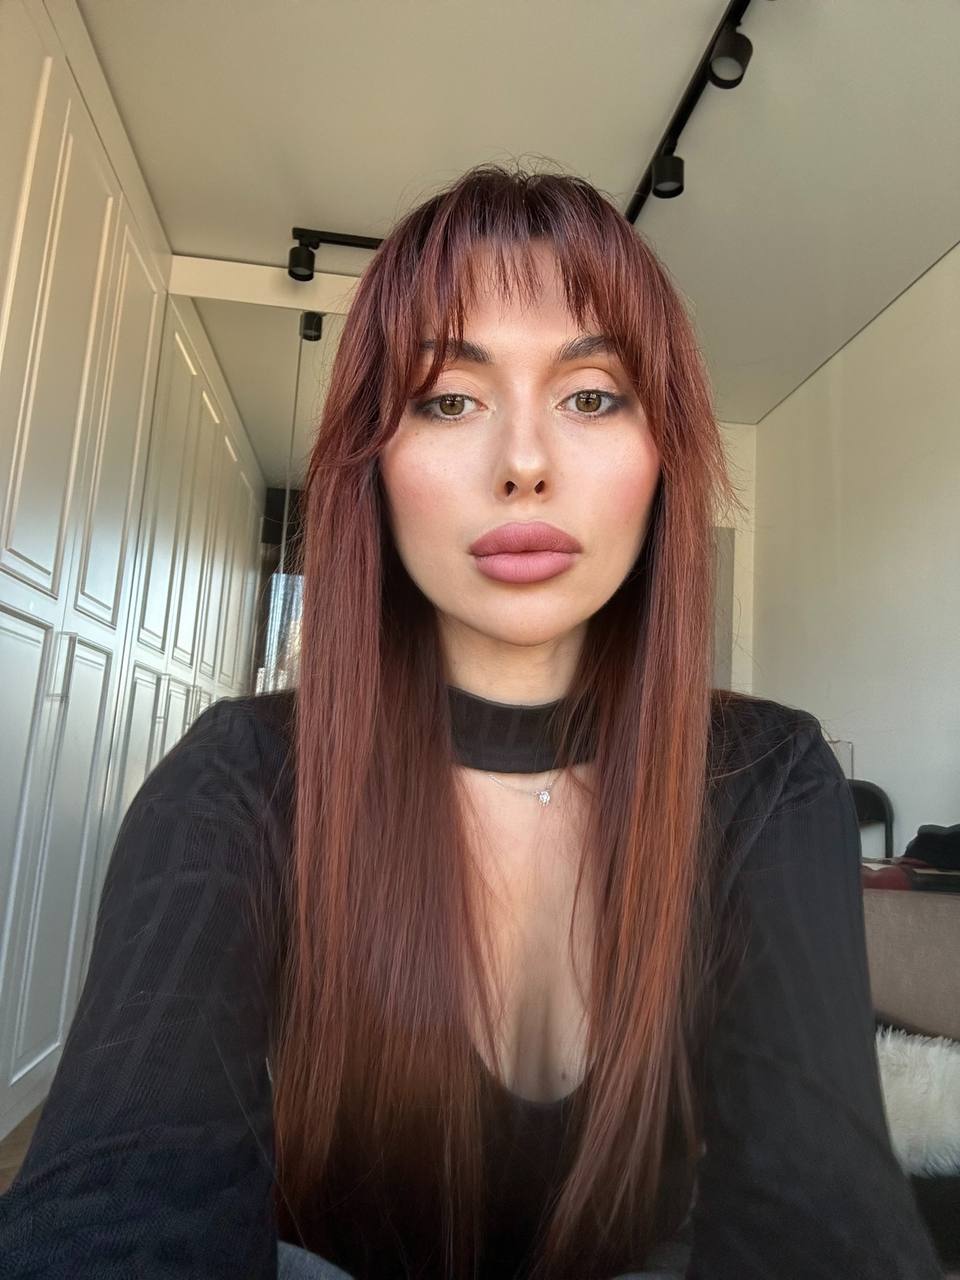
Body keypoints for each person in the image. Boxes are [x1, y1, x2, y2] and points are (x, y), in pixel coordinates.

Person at [0, 165, 944, 1280]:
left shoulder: (768, 779)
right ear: (374, 458)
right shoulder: (240, 778)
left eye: (592, 395)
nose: (525, 463)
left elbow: (822, 1217)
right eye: (448, 398)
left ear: (663, 455)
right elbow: (119, 1201)